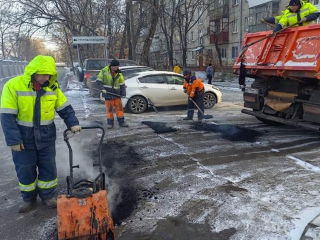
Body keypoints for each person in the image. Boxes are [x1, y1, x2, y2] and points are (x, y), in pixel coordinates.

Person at [0, 55, 81, 213]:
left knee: (48, 167)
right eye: (42, 74)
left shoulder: (52, 88)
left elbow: (64, 108)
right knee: (25, 169)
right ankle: (28, 198)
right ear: (33, 72)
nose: (45, 78)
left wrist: (73, 123)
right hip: (24, 137)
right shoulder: (13, 86)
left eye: (48, 75)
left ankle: (48, 195)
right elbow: (6, 116)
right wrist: (13, 140)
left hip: (46, 135)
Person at [96, 59, 128, 129]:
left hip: (117, 94)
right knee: (109, 110)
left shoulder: (119, 72)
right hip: (108, 94)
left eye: (118, 67)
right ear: (112, 66)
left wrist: (123, 94)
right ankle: (110, 123)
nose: (118, 68)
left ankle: (121, 122)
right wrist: (102, 89)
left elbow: (122, 83)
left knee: (119, 109)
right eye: (116, 67)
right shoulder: (104, 71)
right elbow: (98, 81)